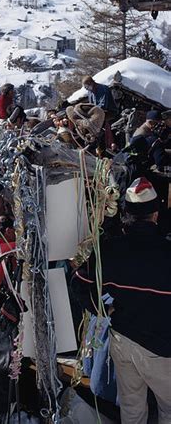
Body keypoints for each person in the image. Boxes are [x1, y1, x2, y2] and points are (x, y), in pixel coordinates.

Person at [72, 177, 171, 424]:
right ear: (156, 214)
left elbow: (79, 283)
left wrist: (103, 310)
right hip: (160, 347)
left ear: (126, 212)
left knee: (132, 407)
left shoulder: (110, 249)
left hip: (123, 339)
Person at [0, 83, 15, 149]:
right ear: (8, 91)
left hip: (7, 118)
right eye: (12, 91)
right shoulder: (2, 99)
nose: (13, 92)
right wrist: (10, 120)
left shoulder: (10, 99)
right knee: (3, 128)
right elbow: (2, 114)